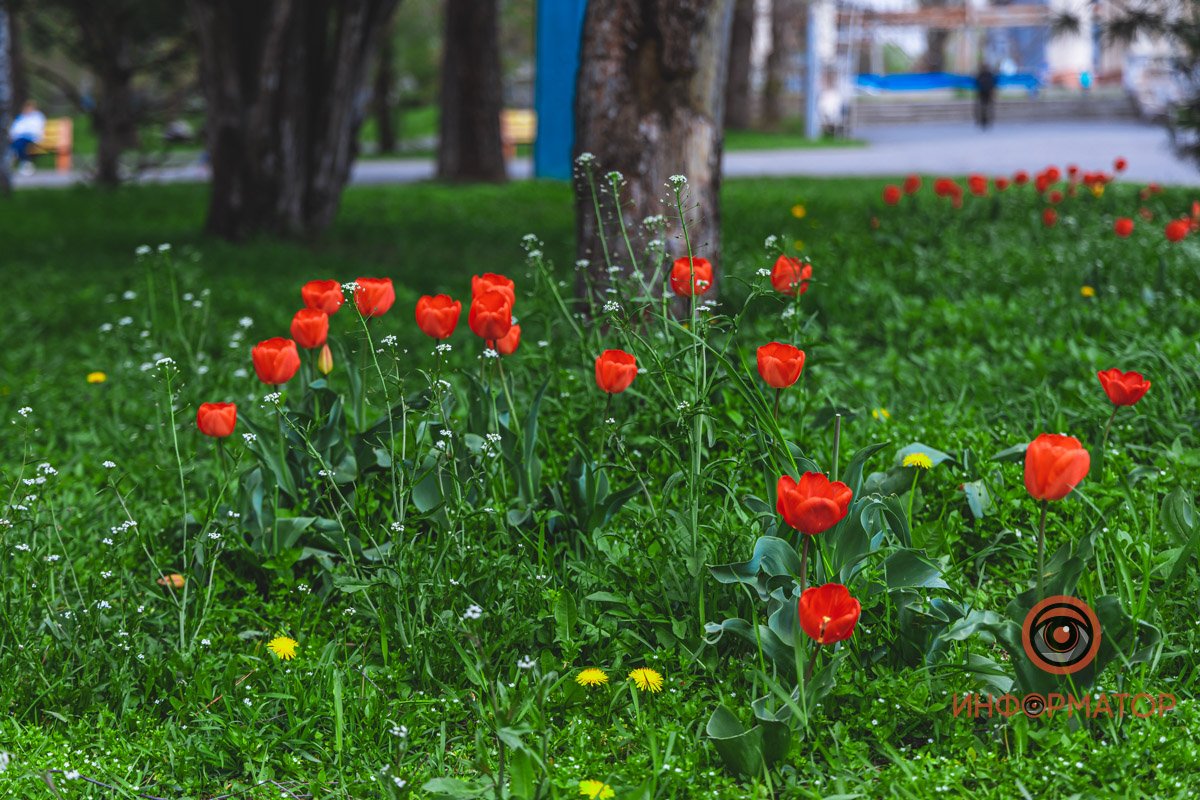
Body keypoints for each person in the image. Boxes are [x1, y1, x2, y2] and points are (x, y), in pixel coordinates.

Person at [8, 100, 47, 176]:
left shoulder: (38, 116)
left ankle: (25, 163)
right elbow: (15, 129)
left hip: (32, 138)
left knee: (19, 144)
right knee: (16, 143)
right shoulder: (21, 117)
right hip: (20, 138)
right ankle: (24, 163)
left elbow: (37, 129)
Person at [975, 63, 997, 130]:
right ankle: (983, 120)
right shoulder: (981, 75)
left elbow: (992, 83)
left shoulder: (988, 75)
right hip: (982, 92)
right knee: (983, 107)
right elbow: (977, 83)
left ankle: (988, 120)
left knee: (987, 107)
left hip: (987, 92)